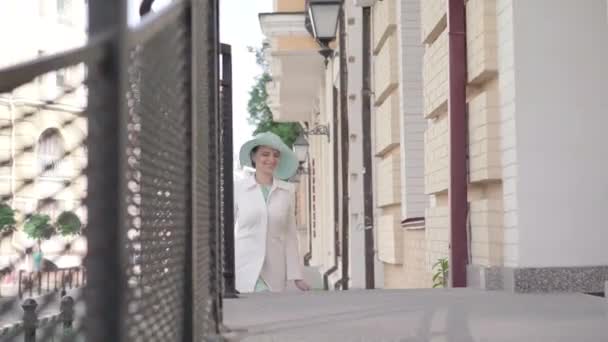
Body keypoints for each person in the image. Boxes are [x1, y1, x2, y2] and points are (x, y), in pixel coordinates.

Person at [234, 132, 311, 293]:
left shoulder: (287, 191)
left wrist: (296, 275)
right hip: (244, 266)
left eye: (276, 155)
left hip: (274, 269)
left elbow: (290, 235)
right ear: (254, 157)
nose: (271, 159)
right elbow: (224, 231)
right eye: (265, 154)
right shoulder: (238, 189)